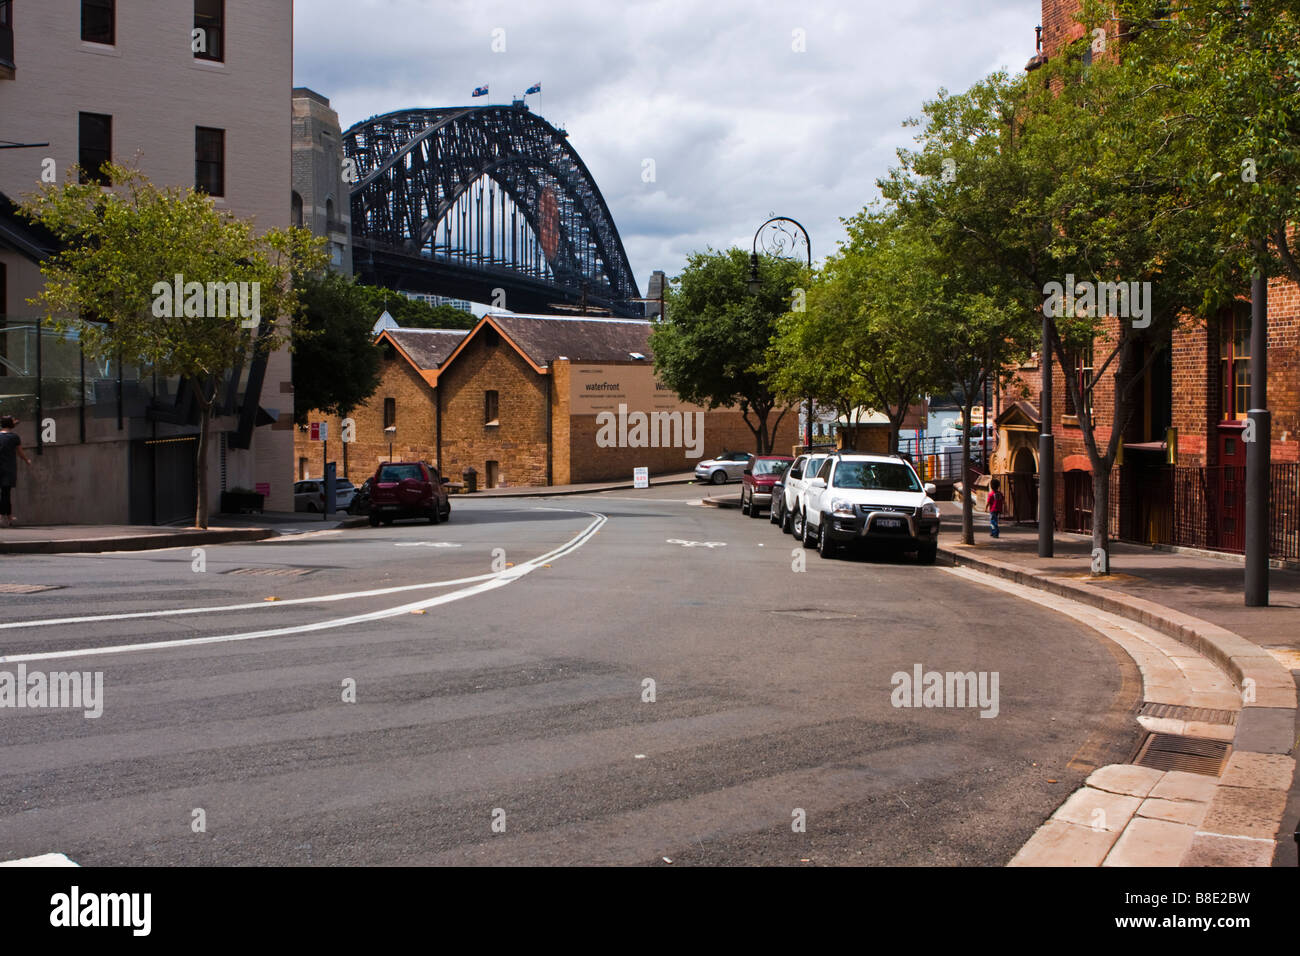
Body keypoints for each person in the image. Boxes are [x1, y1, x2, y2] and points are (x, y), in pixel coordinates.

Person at [0, 416, 32, 528]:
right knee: (6, 493)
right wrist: (27, 460)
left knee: (4, 494)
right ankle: (7, 517)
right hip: (8, 469)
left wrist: (13, 422)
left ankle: (6, 516)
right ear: (10, 424)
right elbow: (20, 452)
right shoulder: (14, 437)